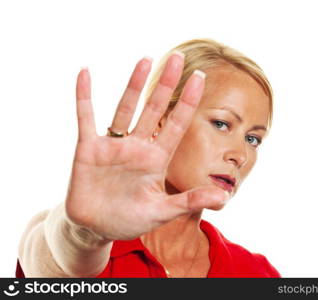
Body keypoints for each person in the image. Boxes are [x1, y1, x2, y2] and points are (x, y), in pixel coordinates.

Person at [16, 38, 281, 278]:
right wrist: (86, 234)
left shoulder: (256, 274)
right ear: (162, 121)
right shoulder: (87, 245)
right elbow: (46, 259)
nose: (241, 156)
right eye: (222, 124)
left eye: (253, 139)